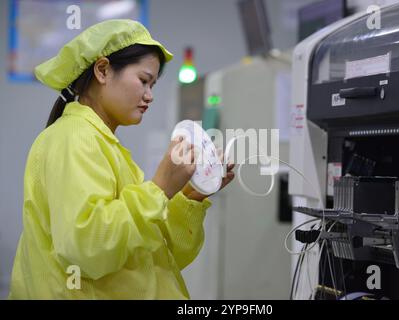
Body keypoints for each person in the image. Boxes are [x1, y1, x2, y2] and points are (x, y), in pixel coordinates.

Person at [9, 19, 235, 299]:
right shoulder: (74, 138)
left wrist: (193, 194)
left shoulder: (108, 148)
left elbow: (162, 256)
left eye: (152, 84)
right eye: (143, 80)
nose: (149, 96)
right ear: (103, 70)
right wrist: (160, 187)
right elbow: (88, 248)